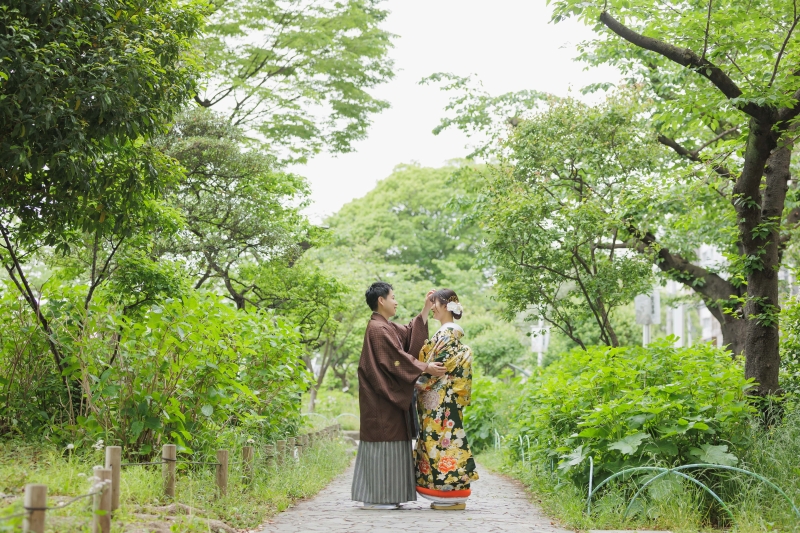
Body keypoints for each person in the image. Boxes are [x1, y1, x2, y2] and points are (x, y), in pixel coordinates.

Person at [351, 282, 447, 510]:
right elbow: (396, 358)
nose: (396, 301)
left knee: (390, 445)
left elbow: (406, 334)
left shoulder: (384, 327)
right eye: (393, 297)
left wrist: (425, 309)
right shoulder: (377, 328)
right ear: (381, 300)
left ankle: (386, 496)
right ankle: (376, 498)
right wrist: (425, 368)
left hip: (385, 399)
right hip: (380, 400)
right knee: (383, 444)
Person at [414, 289, 479, 510]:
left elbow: (435, 368)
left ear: (445, 307)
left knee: (443, 445)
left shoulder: (446, 336)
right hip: (444, 400)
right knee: (447, 443)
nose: (432, 307)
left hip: (440, 401)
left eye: (434, 303)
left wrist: (415, 381)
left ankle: (451, 496)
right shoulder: (447, 334)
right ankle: (451, 496)